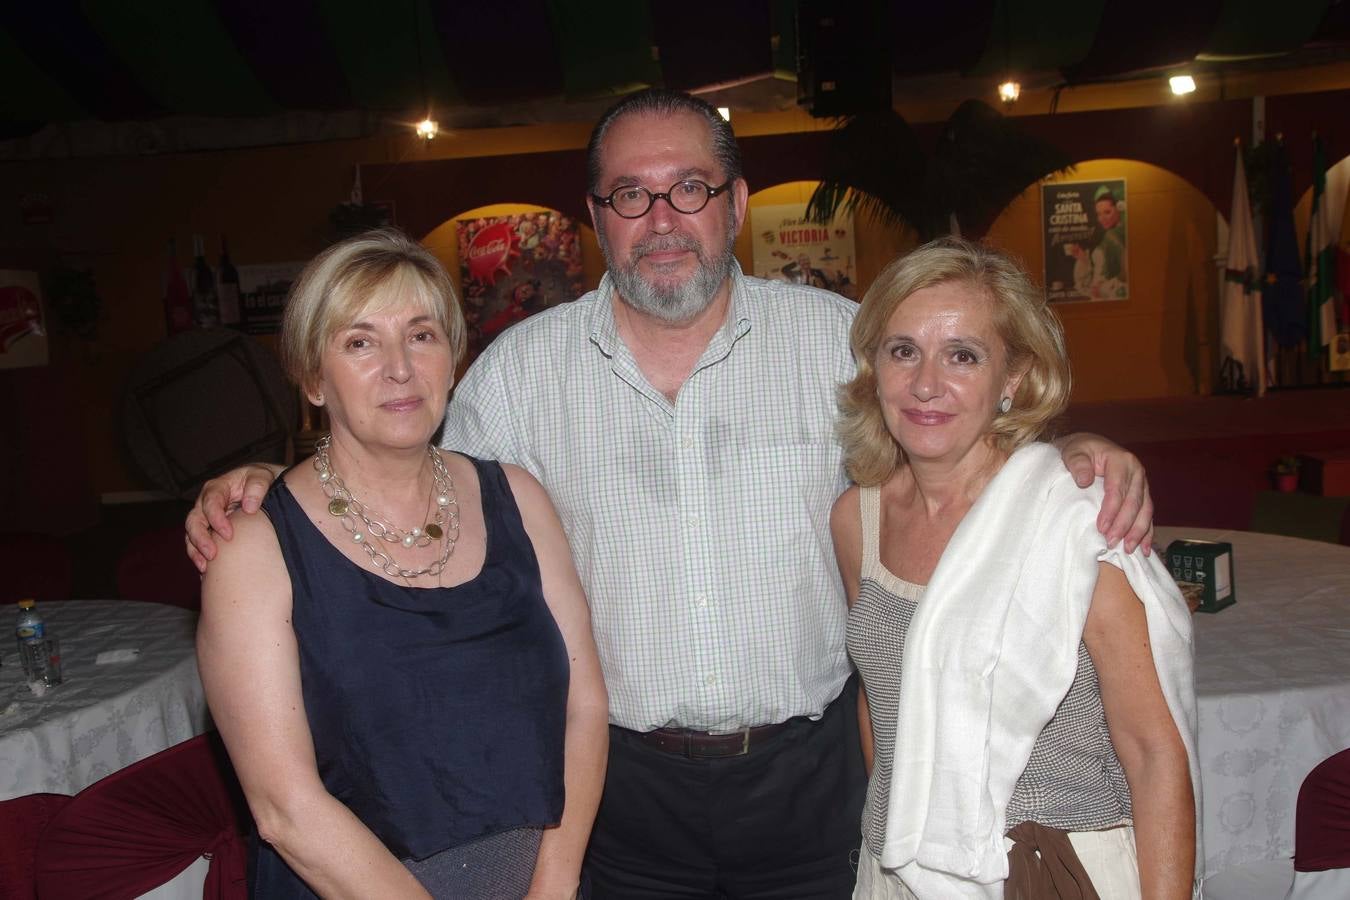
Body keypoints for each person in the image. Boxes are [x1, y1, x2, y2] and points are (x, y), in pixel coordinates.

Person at [186, 90, 1155, 899]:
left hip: (816, 776)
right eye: (631, 196)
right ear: (597, 215)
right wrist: (275, 485)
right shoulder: (518, 378)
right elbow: (403, 471)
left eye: (688, 189)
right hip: (615, 799)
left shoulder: (840, 343)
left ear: (734, 203)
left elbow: (960, 431)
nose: (661, 220)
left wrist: (1069, 450)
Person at [195, 229, 607, 899]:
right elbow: (284, 807)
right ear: (313, 378)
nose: (399, 368)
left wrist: (555, 885)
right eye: (360, 342)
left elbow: (584, 706)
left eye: (421, 336)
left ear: (452, 359)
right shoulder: (254, 547)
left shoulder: (520, 499)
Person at [832, 238, 1197, 899]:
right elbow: (878, 700)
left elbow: (1154, 753)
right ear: (874, 365)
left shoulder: (1071, 518)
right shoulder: (857, 520)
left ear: (1014, 378)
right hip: (899, 866)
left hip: (1050, 866)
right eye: (903, 350)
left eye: (963, 356)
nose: (924, 384)